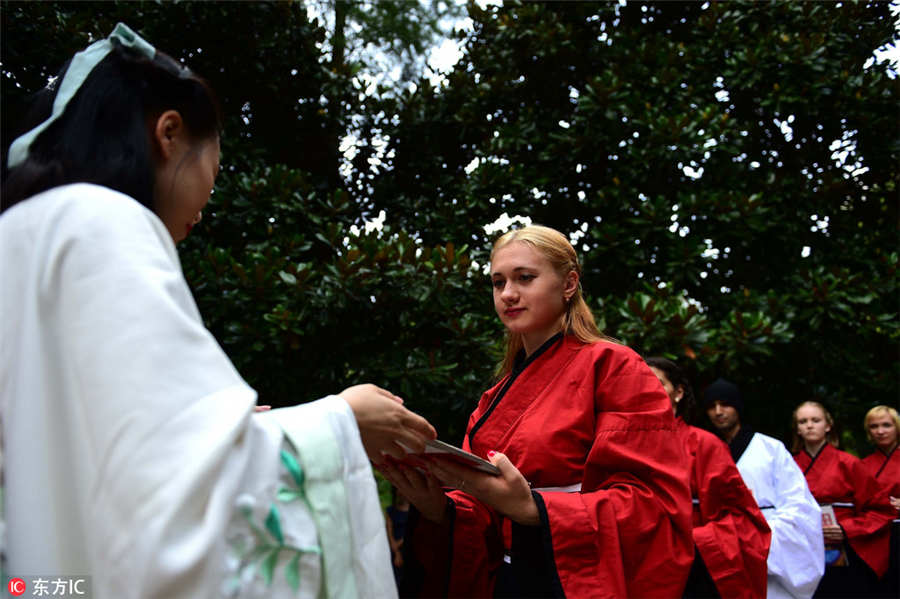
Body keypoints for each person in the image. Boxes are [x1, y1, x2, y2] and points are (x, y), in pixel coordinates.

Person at [0, 24, 437, 598]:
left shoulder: (19, 234)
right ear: (169, 133)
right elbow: (175, 502)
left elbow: (88, 461)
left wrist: (243, 430)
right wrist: (343, 420)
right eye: (215, 164)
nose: (206, 206)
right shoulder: (102, 224)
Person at [378, 225, 694, 598]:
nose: (508, 294)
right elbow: (479, 511)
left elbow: (651, 504)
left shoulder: (615, 367)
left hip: (575, 580)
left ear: (569, 284)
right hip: (509, 581)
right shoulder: (493, 398)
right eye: (498, 283)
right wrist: (439, 509)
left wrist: (535, 508)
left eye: (524, 278)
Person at [646, 359, 770, 599]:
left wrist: (692, 540)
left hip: (696, 564)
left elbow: (740, 516)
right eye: (641, 383)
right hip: (644, 561)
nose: (648, 389)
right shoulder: (624, 443)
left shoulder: (706, 445)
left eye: (657, 383)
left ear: (679, 392)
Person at [703, 379, 825, 599]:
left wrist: (760, 538)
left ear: (738, 407)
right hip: (721, 548)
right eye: (712, 406)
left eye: (725, 404)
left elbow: (798, 504)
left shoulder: (770, 449)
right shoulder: (703, 450)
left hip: (769, 544)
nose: (718, 412)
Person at [791, 402, 895, 598]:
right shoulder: (788, 464)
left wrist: (847, 529)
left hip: (846, 546)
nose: (809, 426)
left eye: (816, 420)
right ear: (797, 428)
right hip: (803, 546)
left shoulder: (849, 463)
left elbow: (881, 509)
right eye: (803, 422)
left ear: (828, 425)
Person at [861, 405, 900, 598]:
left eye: (886, 425)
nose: (881, 431)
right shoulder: (862, 465)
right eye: (874, 426)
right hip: (874, 534)